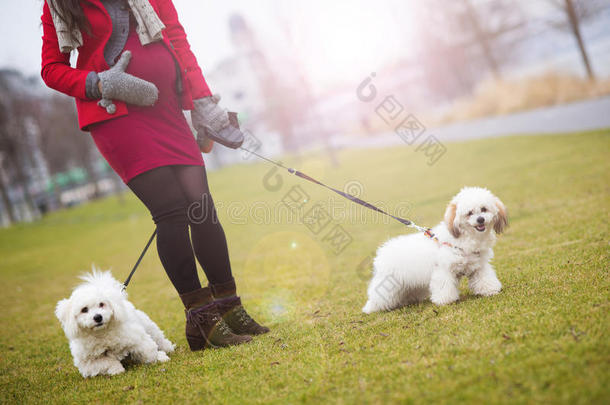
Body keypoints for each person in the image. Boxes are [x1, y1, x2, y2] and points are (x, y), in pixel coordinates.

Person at [41, 0, 268, 351]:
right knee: (171, 212)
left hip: (166, 106)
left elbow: (176, 37)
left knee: (202, 208)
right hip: (115, 111)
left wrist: (203, 99)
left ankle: (230, 308)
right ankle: (202, 319)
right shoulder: (58, 3)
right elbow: (52, 69)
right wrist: (98, 83)